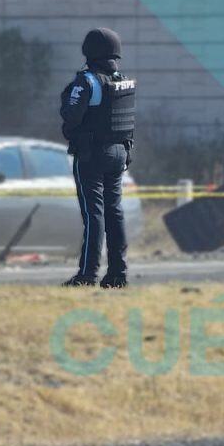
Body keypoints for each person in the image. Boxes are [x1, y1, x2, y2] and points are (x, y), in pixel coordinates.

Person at [59, 28, 137, 289]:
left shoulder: (88, 81)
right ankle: (118, 274)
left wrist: (71, 133)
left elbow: (71, 115)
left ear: (89, 52)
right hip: (119, 153)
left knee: (94, 214)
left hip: (92, 153)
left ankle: (87, 275)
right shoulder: (121, 79)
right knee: (115, 212)